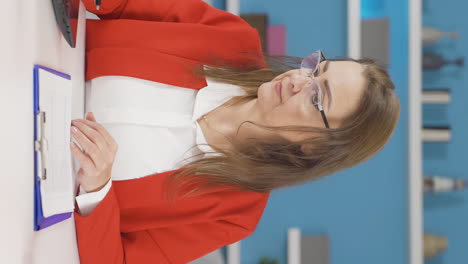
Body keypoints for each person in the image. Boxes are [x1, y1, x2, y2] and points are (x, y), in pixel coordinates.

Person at [71, 0, 400, 263]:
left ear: (313, 147)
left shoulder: (234, 215)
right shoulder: (231, 37)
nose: (298, 81)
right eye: (316, 68)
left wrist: (97, 189)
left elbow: (118, 259)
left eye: (317, 97)